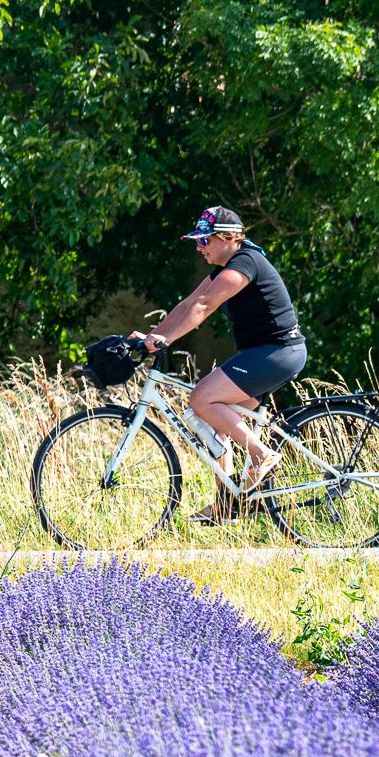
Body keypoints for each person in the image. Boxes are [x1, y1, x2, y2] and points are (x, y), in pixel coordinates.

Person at [128, 206, 308, 523]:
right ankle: (227, 502)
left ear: (226, 238)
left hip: (277, 352)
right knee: (213, 420)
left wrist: (168, 340)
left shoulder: (245, 263)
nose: (199, 248)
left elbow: (204, 305)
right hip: (265, 354)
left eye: (203, 241)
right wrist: (151, 337)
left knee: (201, 397)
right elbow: (188, 303)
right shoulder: (224, 268)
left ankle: (262, 454)